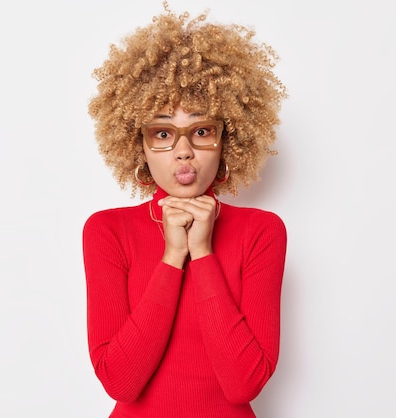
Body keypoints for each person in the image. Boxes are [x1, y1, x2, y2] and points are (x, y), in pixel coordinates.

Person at [82, 3, 288, 417]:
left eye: (201, 131)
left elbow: (242, 385)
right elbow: (120, 382)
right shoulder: (107, 230)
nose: (183, 150)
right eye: (161, 132)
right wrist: (173, 256)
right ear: (137, 144)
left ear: (226, 137)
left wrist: (204, 251)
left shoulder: (262, 231)